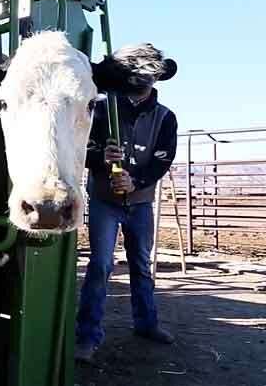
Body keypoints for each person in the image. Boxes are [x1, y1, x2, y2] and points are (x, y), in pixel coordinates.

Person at [75, 43, 179, 362]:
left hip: (140, 203)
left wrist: (137, 182)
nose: (138, 89)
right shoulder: (103, 109)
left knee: (141, 265)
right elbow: (82, 149)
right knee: (101, 265)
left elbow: (162, 160)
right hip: (105, 201)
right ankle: (87, 336)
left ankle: (146, 323)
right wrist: (101, 158)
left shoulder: (165, 118)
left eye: (143, 82)